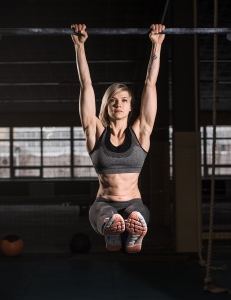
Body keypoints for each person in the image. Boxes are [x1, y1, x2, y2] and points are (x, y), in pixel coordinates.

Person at [71, 23, 165, 253]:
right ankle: (110, 229)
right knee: (103, 213)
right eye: (113, 100)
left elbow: (150, 84)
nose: (118, 103)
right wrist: (79, 46)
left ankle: (132, 233)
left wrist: (157, 46)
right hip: (103, 203)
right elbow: (86, 85)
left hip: (134, 203)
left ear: (131, 106)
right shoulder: (94, 132)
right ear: (106, 105)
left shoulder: (141, 132)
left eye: (124, 100)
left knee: (138, 215)